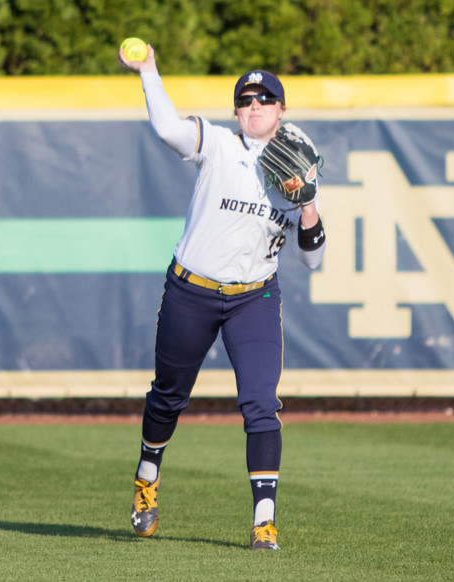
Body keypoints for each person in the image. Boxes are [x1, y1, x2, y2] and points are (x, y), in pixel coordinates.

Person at [117, 44, 326, 551]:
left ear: (281, 110)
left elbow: (312, 260)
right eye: (246, 100)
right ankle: (148, 478)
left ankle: (264, 523)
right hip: (192, 290)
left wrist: (309, 205)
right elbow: (168, 129)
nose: (254, 107)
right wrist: (149, 71)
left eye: (265, 100)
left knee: (261, 404)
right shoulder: (216, 144)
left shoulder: (297, 169)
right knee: (168, 396)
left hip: (254, 297)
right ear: (236, 111)